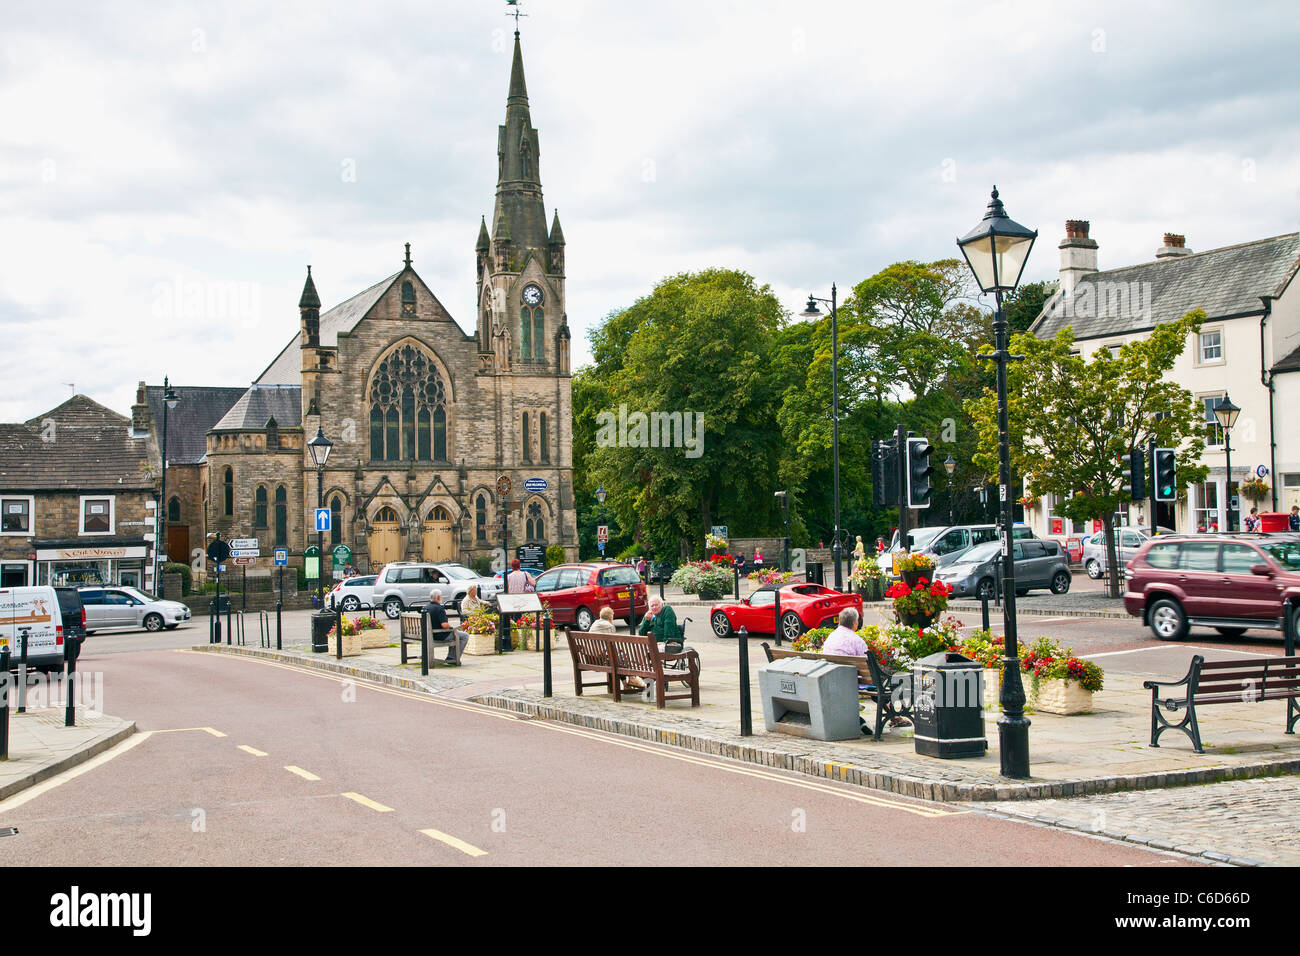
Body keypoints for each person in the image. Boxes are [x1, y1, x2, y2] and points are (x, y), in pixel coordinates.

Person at [637, 596, 679, 701]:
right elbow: (641, 633)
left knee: (654, 652)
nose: (654, 607)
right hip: (653, 646)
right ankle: (652, 680)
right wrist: (646, 621)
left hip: (670, 643)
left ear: (662, 605)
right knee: (641, 654)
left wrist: (664, 641)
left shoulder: (667, 610)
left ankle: (657, 680)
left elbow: (669, 627)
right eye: (652, 606)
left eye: (657, 605)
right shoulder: (649, 615)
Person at [593, 606, 644, 691]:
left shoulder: (594, 624)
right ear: (610, 618)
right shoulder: (609, 626)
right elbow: (613, 644)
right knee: (620, 658)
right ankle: (631, 678)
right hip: (602, 658)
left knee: (619, 659)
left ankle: (627, 684)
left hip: (592, 658)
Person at [424, 589, 468, 665]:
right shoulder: (439, 608)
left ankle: (451, 657)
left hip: (427, 635)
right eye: (441, 596)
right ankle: (453, 658)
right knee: (464, 636)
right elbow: (444, 625)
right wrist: (451, 627)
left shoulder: (425, 607)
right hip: (439, 635)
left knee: (454, 633)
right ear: (438, 597)